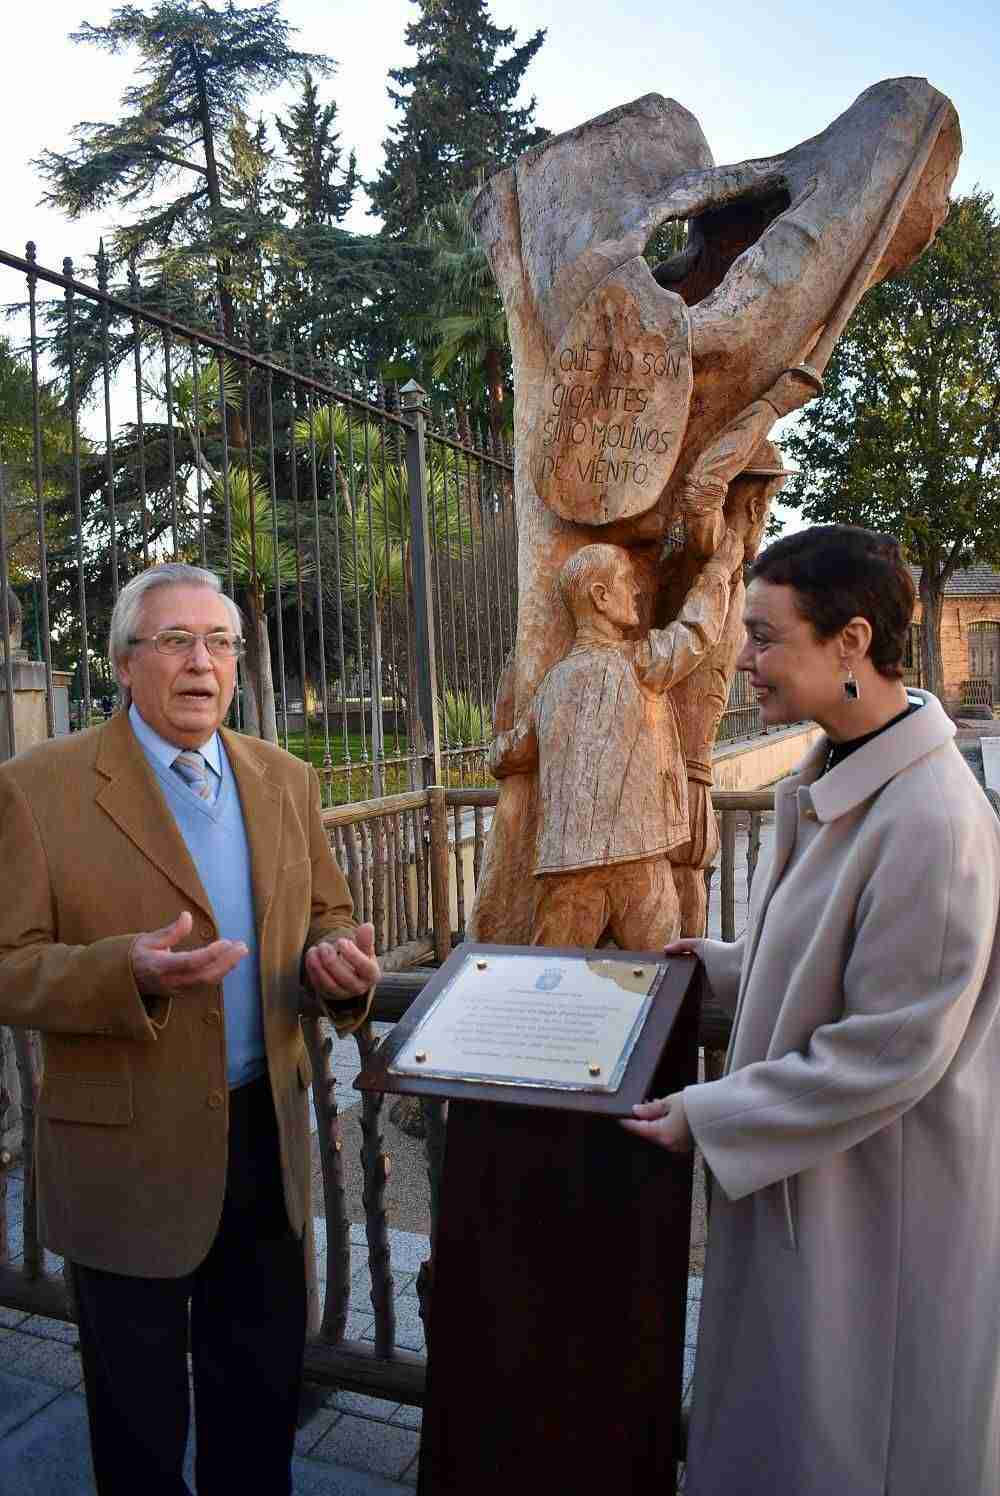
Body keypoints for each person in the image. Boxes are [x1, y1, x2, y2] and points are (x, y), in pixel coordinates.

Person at [623, 524, 1000, 1495]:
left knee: (851, 1442)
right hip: (821, 1190)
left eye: (762, 634)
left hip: (876, 1213)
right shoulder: (840, 769)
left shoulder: (930, 816)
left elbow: (889, 1045)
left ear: (851, 641)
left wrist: (711, 1112)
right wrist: (717, 967)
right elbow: (831, 963)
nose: (743, 658)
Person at [0, 562, 381, 1496]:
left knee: (256, 1402)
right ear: (125, 662)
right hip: (125, 1150)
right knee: (137, 1423)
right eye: (174, 641)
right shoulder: (37, 788)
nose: (200, 663)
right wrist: (118, 971)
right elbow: (7, 964)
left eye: (219, 643)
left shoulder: (285, 779)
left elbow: (328, 915)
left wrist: (339, 967)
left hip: (265, 1138)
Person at [489, 528, 743, 947]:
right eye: (628, 581)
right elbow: (698, 630)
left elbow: (512, 752)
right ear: (600, 596)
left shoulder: (554, 684)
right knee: (659, 981)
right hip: (640, 858)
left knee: (548, 984)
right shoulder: (642, 664)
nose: (639, 592)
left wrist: (496, 748)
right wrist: (718, 569)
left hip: (565, 865)